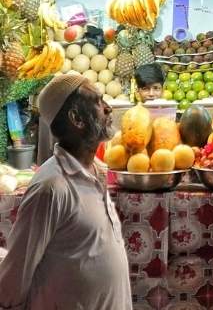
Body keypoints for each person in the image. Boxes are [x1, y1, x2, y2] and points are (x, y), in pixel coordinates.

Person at [0, 74, 131, 309]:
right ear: (76, 118)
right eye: (99, 102)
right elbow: (13, 281)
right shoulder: (51, 187)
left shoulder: (96, 172)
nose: (109, 108)